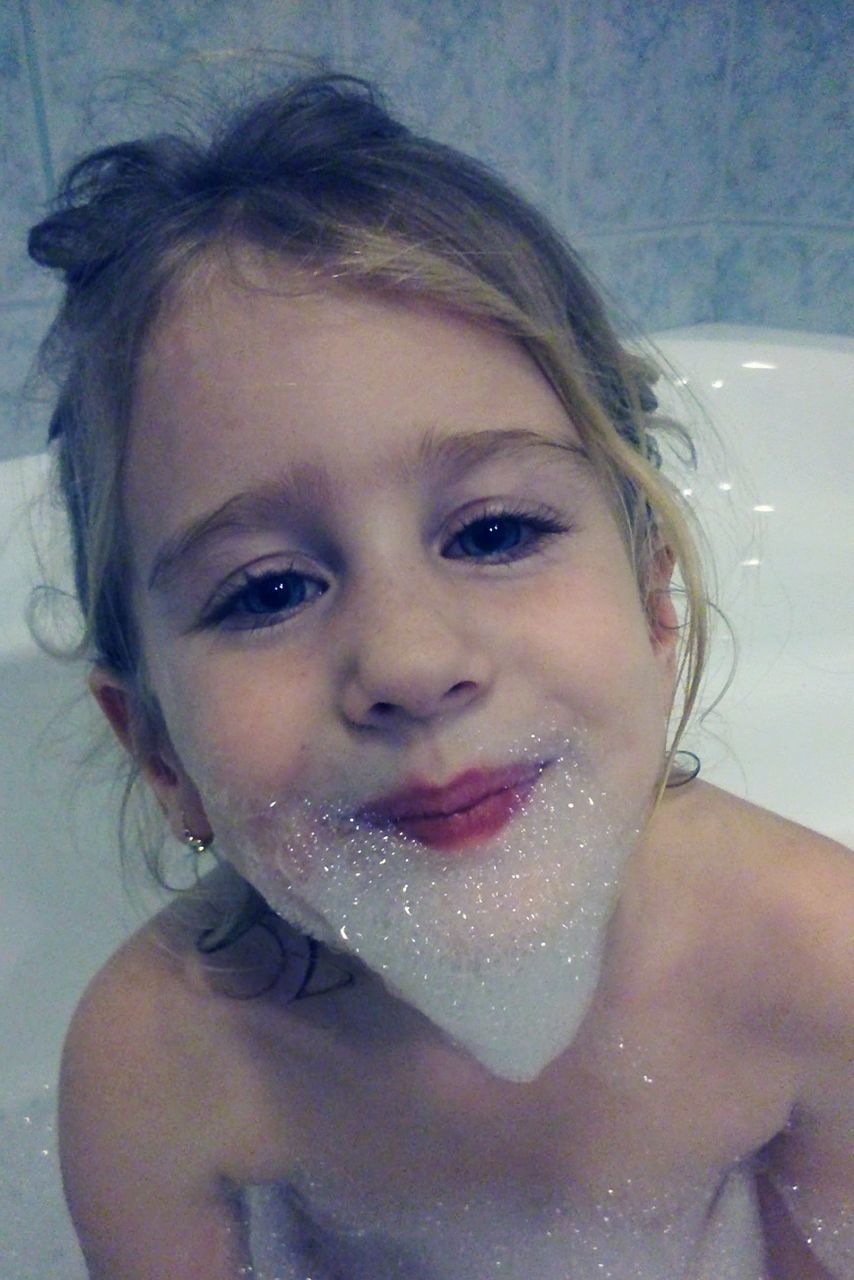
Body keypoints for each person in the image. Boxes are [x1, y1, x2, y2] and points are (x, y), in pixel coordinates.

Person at [28, 73, 851, 1280]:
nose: (410, 664)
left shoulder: (810, 956)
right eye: (265, 589)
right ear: (157, 750)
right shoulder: (160, 1065)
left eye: (494, 531)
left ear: (655, 597)